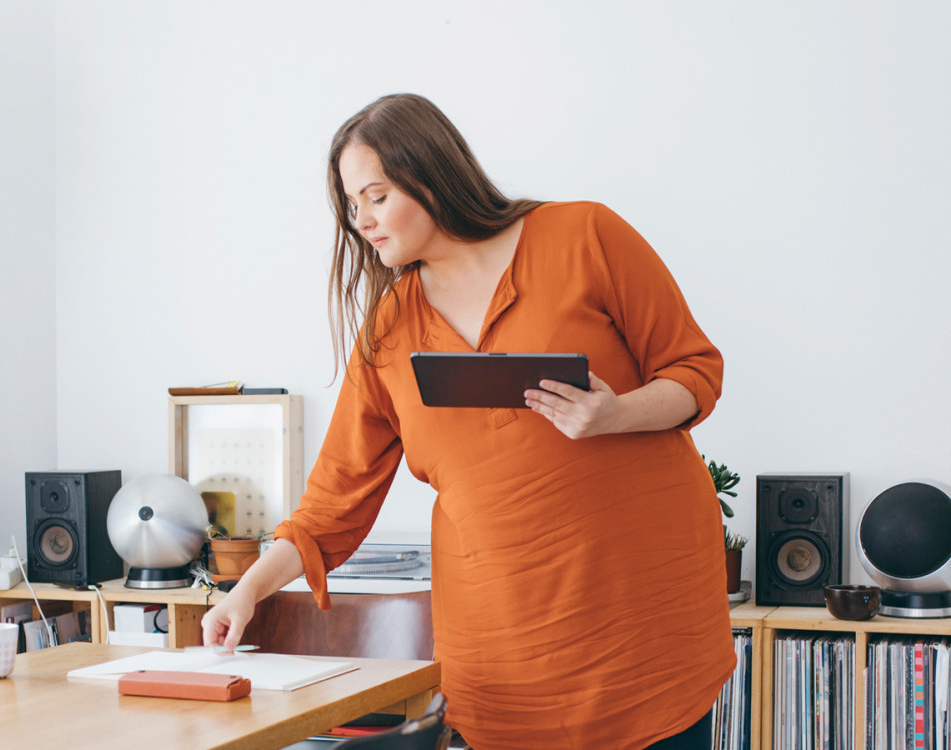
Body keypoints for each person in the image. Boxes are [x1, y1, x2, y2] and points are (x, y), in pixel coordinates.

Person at [200, 94, 732, 750]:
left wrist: (616, 414)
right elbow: (329, 508)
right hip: (502, 660)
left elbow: (695, 371)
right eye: (350, 205)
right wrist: (244, 594)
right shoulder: (390, 330)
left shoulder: (585, 236)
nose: (361, 220)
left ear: (428, 174)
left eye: (376, 195)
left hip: (642, 640)